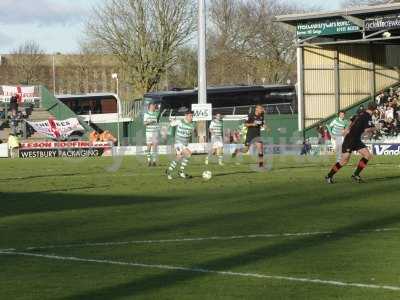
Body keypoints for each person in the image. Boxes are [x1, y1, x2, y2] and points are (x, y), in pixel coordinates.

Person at [325, 102, 378, 184]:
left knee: (367, 155)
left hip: (355, 139)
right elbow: (367, 130)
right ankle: (329, 176)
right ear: (374, 109)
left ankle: (355, 174)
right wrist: (376, 128)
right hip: (350, 140)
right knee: (344, 161)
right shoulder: (367, 116)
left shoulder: (361, 113)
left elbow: (351, 120)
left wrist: (347, 129)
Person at [166, 110, 196, 179]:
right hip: (178, 142)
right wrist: (166, 132)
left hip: (184, 144)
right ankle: (180, 171)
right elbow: (170, 124)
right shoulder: (180, 121)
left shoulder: (193, 124)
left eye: (192, 116)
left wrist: (195, 132)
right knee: (188, 154)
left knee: (179, 157)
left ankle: (169, 171)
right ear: (186, 115)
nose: (191, 117)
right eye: (190, 116)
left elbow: (194, 132)